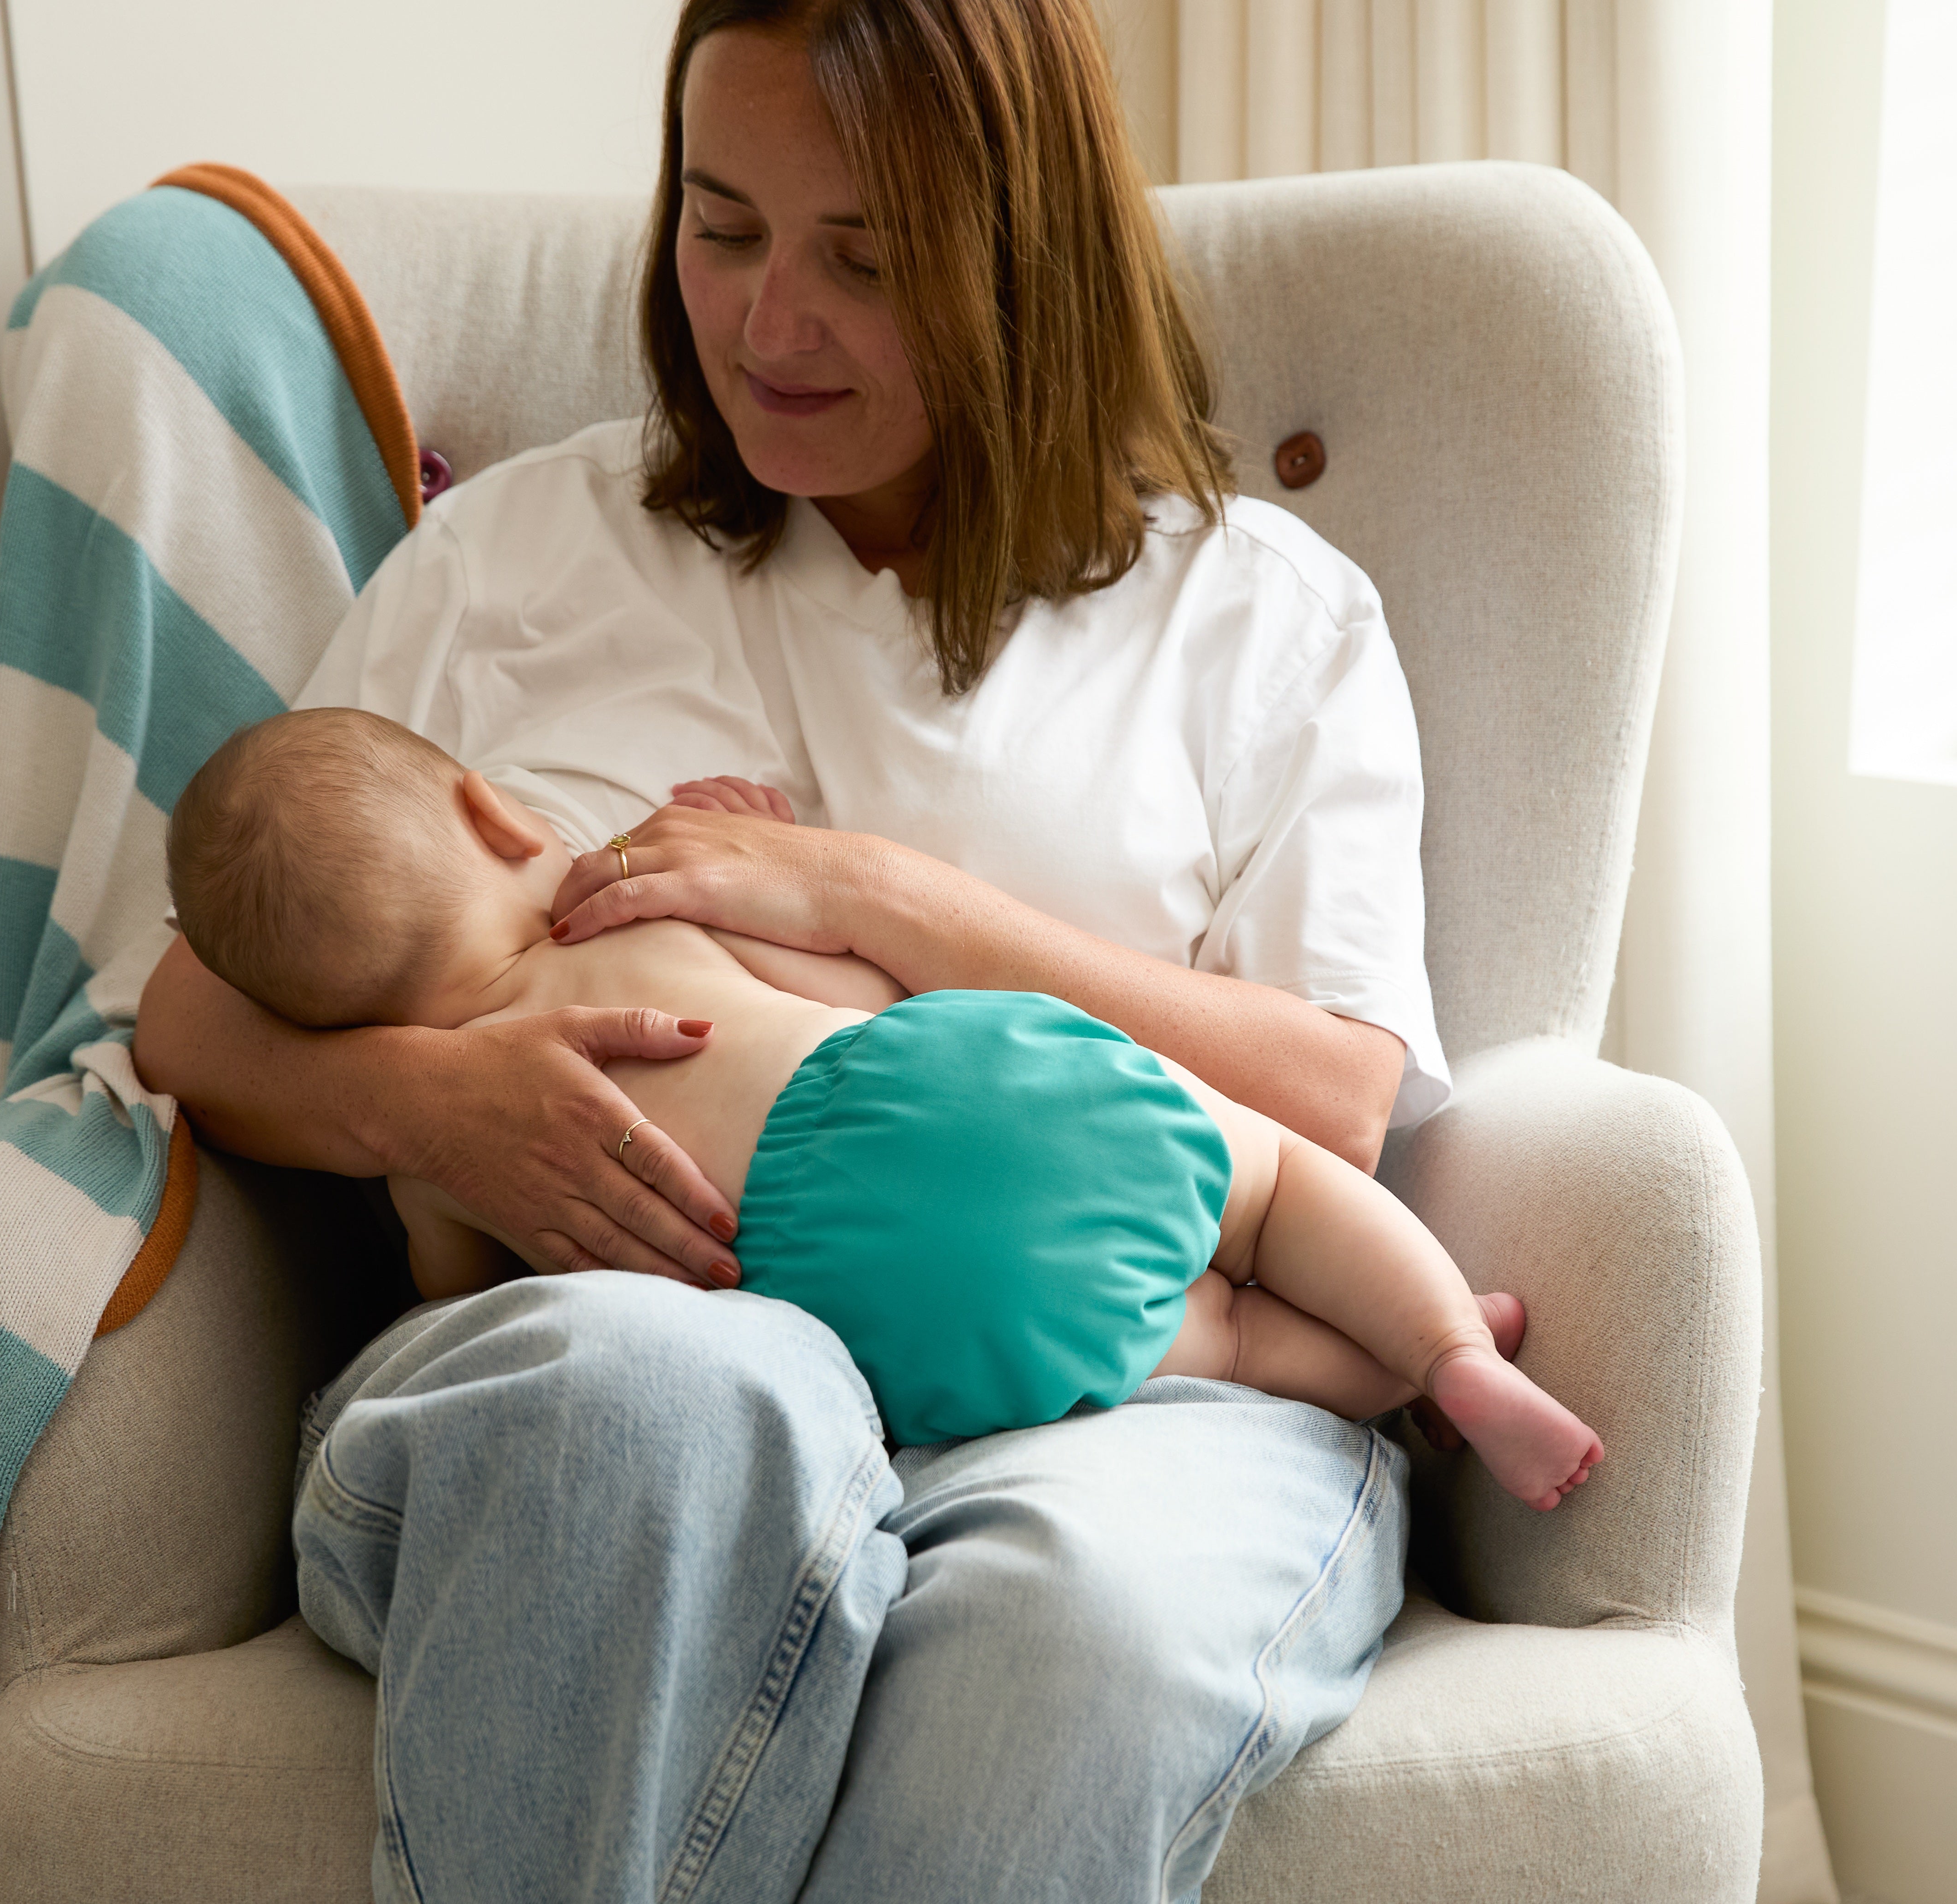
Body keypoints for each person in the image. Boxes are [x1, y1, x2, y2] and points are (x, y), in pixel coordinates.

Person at [132, 0, 1484, 1894]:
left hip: (1122, 1401)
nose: (768, 326)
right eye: (721, 224)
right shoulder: (511, 560)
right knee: (684, 1406)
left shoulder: (1261, 621)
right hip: (587, 1370)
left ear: (1024, 251)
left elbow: (1341, 1095)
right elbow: (187, 1003)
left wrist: (886, 903)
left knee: (1073, 1630)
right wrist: (430, 1106)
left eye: (864, 257)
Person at [166, 704, 1603, 1502]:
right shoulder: (625, 906)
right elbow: (841, 979)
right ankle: (1453, 1350)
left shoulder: (452, 1143)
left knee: (1216, 1338)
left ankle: (1396, 1376)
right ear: (495, 815)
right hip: (925, 1084)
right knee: (1277, 1189)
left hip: (842, 1287)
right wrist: (780, 851)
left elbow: (453, 1295)